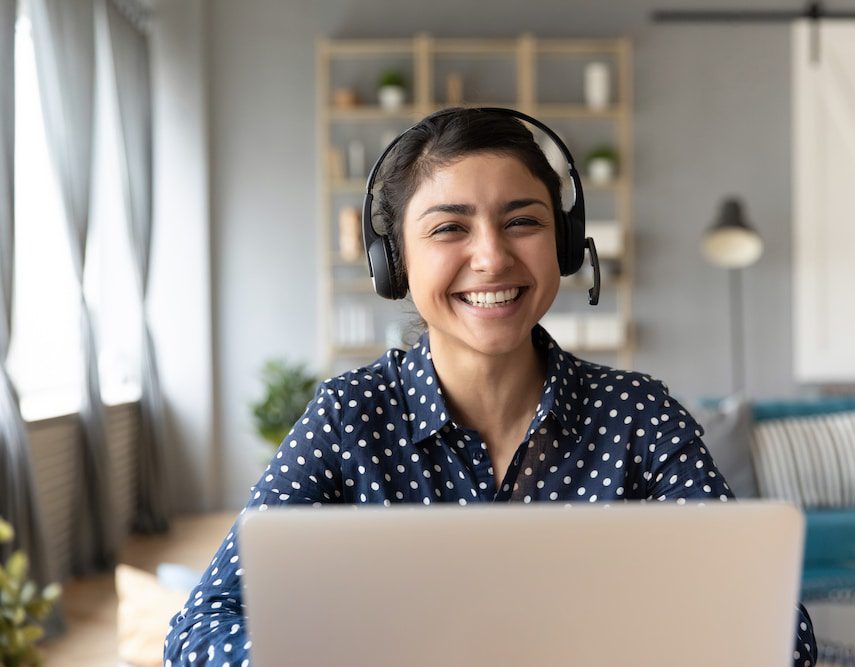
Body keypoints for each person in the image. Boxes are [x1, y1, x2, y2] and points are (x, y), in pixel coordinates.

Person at [163, 107, 817, 666]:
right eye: (450, 227)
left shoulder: (638, 414)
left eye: (522, 221)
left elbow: (780, 632)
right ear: (395, 263)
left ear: (563, 243)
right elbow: (199, 629)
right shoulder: (347, 416)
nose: (492, 256)